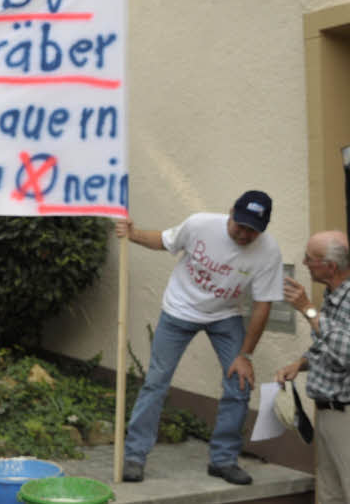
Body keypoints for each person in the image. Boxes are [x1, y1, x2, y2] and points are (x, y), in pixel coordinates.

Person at [116, 190, 284, 486]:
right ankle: (134, 456)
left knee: (239, 382)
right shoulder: (200, 224)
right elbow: (165, 241)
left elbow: (262, 306)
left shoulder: (269, 252)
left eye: (252, 230)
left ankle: (223, 460)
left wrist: (245, 356)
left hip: (225, 315)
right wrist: (133, 234)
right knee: (157, 381)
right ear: (230, 212)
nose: (244, 234)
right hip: (179, 310)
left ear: (264, 228)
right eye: (240, 225)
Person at [276, 231, 350, 503]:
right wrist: (300, 363)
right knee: (330, 495)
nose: (305, 263)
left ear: (330, 266)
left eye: (310, 258)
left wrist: (308, 309)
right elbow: (328, 346)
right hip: (328, 412)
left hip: (346, 416)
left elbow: (347, 351)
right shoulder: (333, 295)